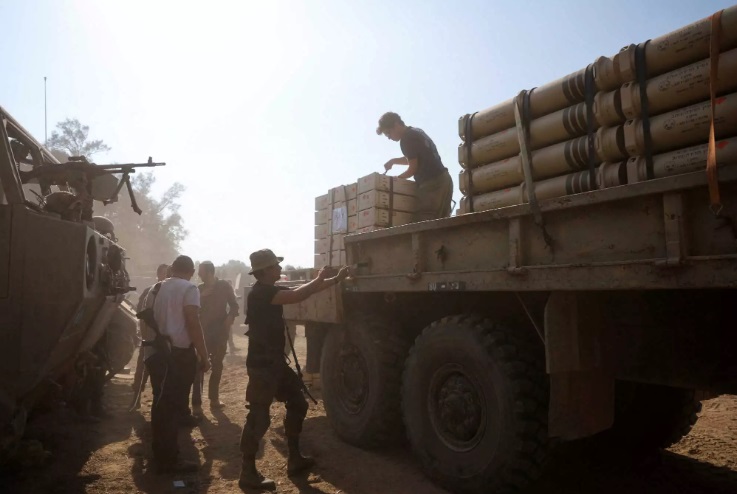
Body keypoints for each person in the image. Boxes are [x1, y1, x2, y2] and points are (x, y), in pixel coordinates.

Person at [238, 249, 348, 490]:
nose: (279, 268)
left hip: (273, 363)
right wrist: (320, 278)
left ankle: (295, 458)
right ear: (265, 270)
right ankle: (248, 472)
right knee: (259, 417)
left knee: (298, 403)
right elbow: (299, 295)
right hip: (263, 365)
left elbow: (303, 291)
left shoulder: (268, 290)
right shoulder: (261, 293)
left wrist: (335, 280)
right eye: (275, 266)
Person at [145, 255, 211, 474]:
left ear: (172, 269)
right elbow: (193, 322)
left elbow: (145, 323)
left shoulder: (154, 289)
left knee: (160, 403)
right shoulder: (189, 289)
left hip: (155, 352)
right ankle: (168, 459)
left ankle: (160, 454)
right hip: (177, 355)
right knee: (171, 407)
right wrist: (204, 355)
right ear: (191, 272)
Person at [376, 111, 454, 221]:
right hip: (444, 179)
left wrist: (394, 181)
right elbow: (414, 158)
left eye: (388, 133)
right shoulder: (415, 132)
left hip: (433, 184)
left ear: (396, 124)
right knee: (443, 223)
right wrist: (393, 161)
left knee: (424, 222)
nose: (389, 137)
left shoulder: (406, 139)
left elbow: (412, 169)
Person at [192, 261, 239, 413]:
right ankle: (196, 404)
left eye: (201, 271)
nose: (199, 274)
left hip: (220, 332)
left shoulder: (224, 286)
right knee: (199, 366)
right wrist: (200, 297)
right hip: (203, 333)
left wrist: (230, 317)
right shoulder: (198, 289)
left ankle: (214, 399)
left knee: (217, 365)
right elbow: (192, 308)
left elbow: (234, 305)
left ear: (209, 272)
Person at [129, 263, 169, 411]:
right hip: (150, 337)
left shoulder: (170, 292)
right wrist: (145, 336)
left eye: (168, 273)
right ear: (158, 275)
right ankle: (136, 398)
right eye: (164, 273)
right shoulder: (149, 291)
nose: (166, 276)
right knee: (142, 368)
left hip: (165, 339)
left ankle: (160, 403)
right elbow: (141, 315)